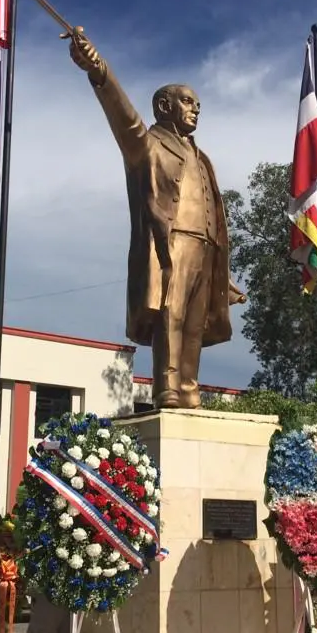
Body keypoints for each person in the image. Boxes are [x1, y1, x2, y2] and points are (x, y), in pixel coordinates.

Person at [67, 28, 247, 409]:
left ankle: (190, 386)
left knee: (195, 323)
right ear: (164, 107)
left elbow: (213, 213)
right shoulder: (147, 146)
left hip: (205, 247)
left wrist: (223, 275)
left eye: (197, 104)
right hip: (172, 242)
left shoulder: (203, 158)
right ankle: (167, 385)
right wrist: (99, 71)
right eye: (187, 101)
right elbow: (124, 116)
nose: (195, 108)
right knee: (173, 313)